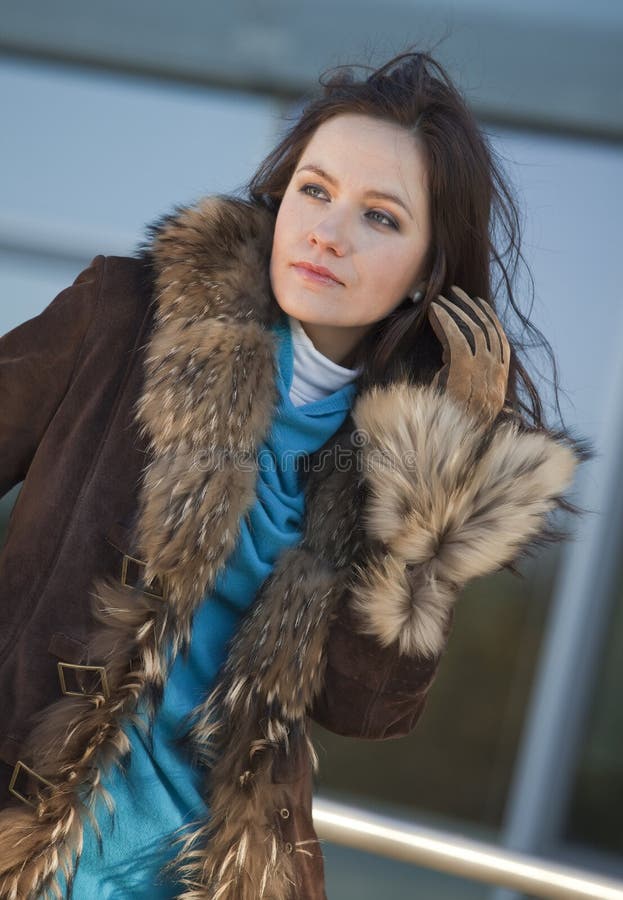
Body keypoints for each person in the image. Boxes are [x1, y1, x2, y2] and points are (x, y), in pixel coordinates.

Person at [0, 48, 591, 899]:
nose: (327, 231)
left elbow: (367, 706)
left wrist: (437, 480)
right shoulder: (126, 319)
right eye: (314, 191)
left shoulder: (391, 460)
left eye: (380, 217)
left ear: (426, 269)